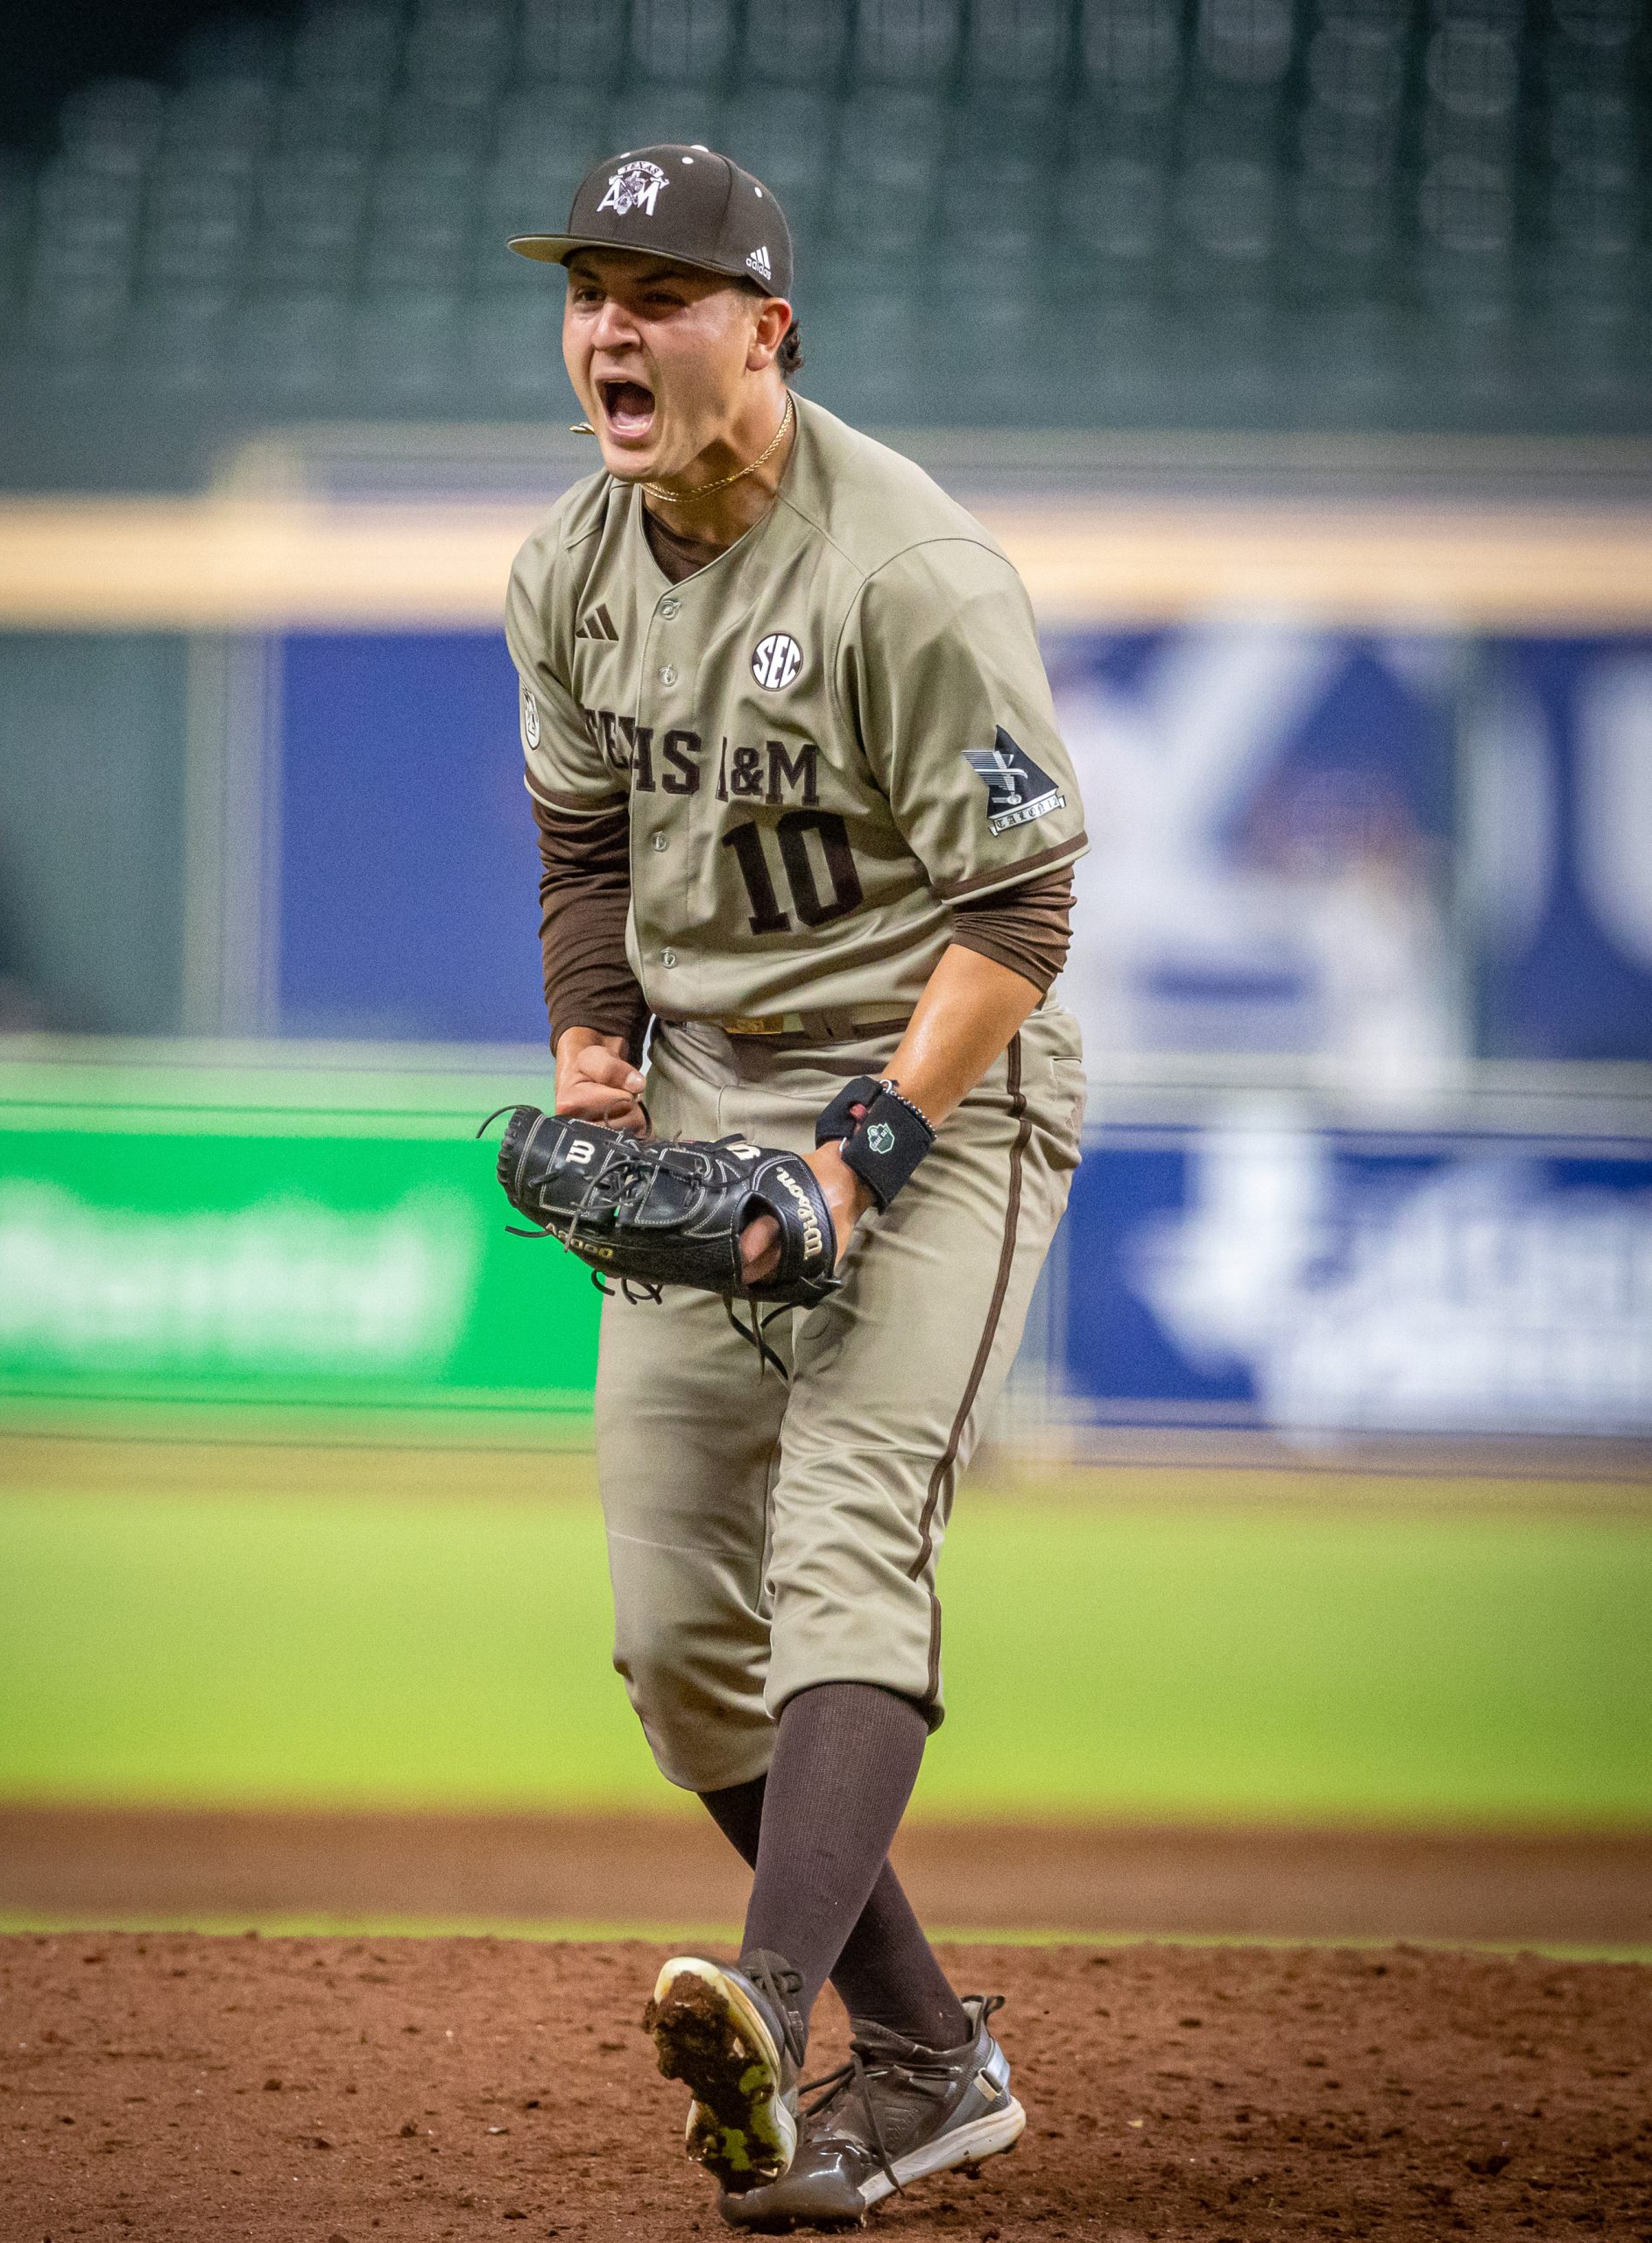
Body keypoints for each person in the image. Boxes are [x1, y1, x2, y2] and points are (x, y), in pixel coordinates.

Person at [504, 146, 1086, 2230]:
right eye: (586, 289)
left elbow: (1024, 902)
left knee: (850, 1538)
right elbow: (587, 853)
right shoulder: (566, 567)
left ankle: (764, 2006)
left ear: (766, 326)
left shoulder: (906, 569)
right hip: (703, 1105)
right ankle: (930, 2052)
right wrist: (595, 1064)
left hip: (939, 1091)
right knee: (678, 1648)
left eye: (655, 292)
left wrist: (873, 1145)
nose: (606, 329)